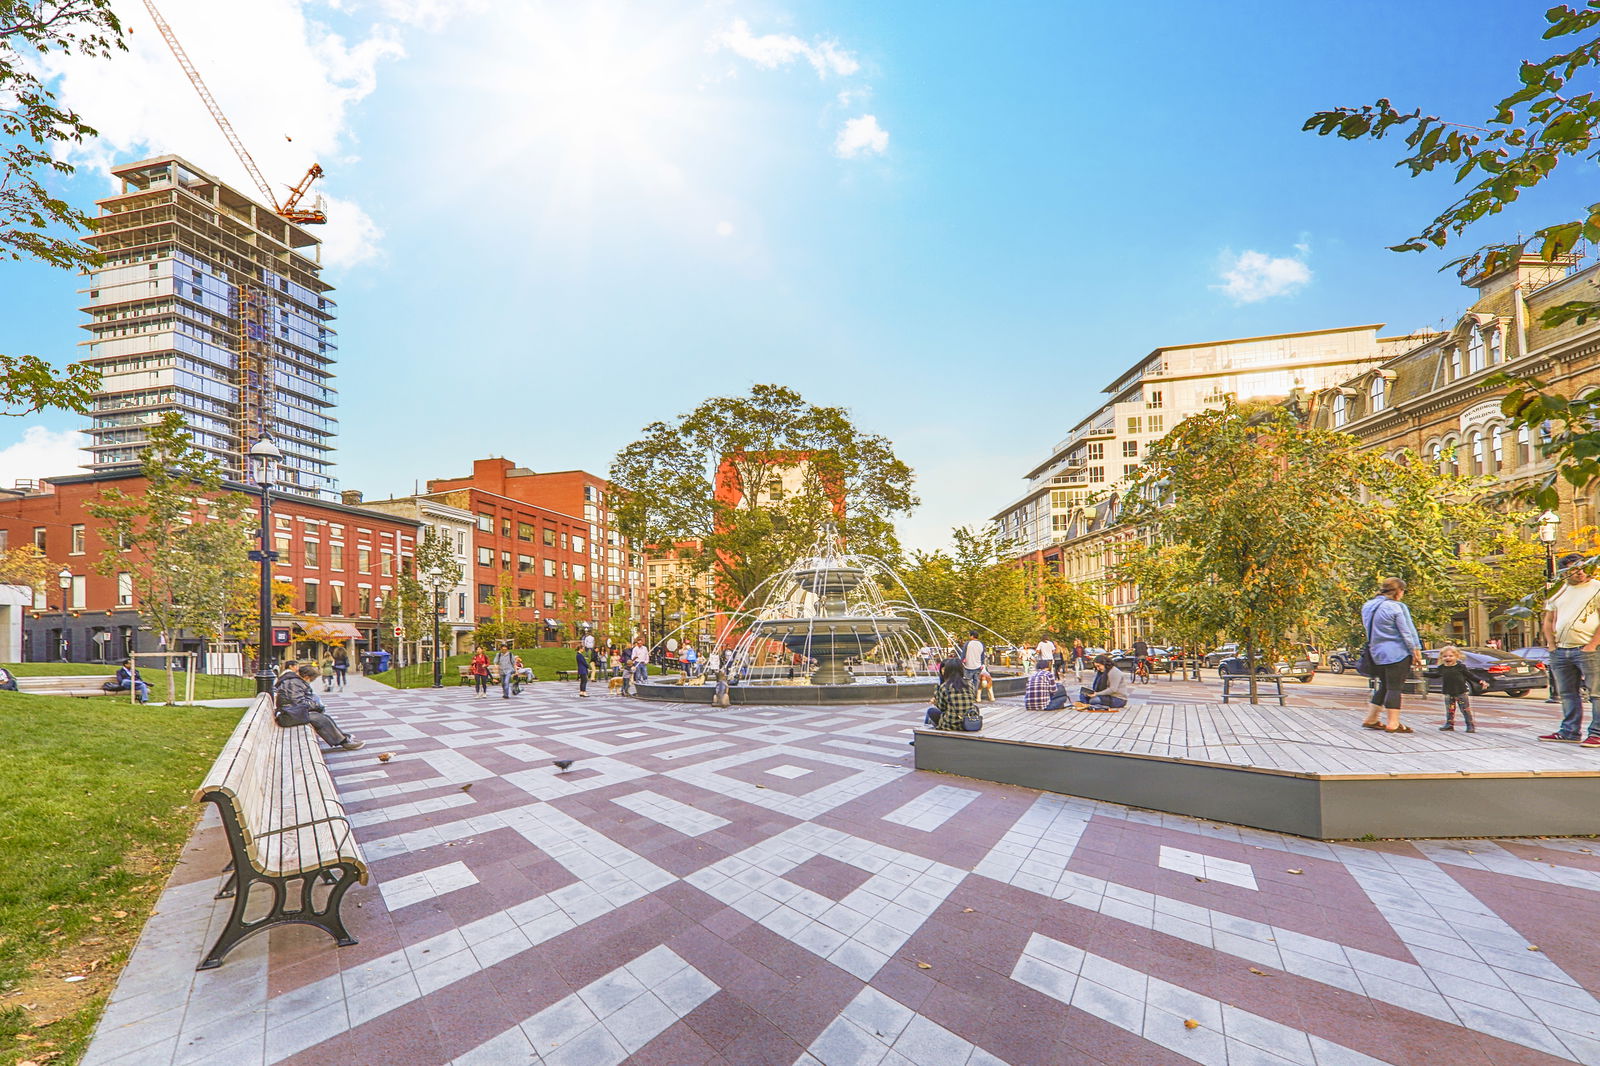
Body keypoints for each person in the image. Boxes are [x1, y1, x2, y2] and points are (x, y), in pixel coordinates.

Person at [1540, 553, 1600, 745]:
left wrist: (1591, 645)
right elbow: (1549, 619)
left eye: (1583, 567)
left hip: (1589, 650)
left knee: (1596, 693)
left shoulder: (1597, 588)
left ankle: (1597, 733)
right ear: (1565, 572)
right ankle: (1569, 731)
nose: (1580, 572)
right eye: (1574, 569)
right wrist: (1551, 645)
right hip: (1561, 651)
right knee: (1567, 693)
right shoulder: (1558, 590)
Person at [1359, 576, 1424, 733]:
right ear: (1399, 591)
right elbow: (1407, 632)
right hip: (1397, 653)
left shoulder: (1368, 606)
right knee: (1395, 687)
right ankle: (1393, 723)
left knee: (1384, 685)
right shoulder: (1397, 607)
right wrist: (1416, 651)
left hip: (1376, 653)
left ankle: (1371, 718)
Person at [275, 663, 362, 750]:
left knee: (324, 717)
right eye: (312, 679)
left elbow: (297, 702)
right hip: (289, 716)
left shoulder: (295, 681)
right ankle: (344, 742)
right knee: (320, 719)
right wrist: (316, 705)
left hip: (292, 712)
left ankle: (343, 738)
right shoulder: (293, 683)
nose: (311, 681)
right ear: (307, 676)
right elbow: (297, 703)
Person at [923, 657, 978, 730]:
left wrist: (936, 701)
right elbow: (972, 700)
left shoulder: (945, 686)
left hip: (950, 725)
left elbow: (941, 707)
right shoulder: (970, 684)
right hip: (969, 723)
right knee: (975, 708)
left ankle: (924, 732)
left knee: (931, 711)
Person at [1436, 645, 1478, 733]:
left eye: (1451, 656)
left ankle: (1470, 725)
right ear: (1441, 658)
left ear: (1457, 656)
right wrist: (1422, 674)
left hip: (1461, 692)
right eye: (1445, 656)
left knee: (1465, 709)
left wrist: (1480, 681)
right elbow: (1435, 675)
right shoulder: (1441, 668)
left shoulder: (1460, 667)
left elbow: (1470, 676)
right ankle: (1449, 724)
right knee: (1450, 709)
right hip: (1448, 692)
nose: (1448, 658)